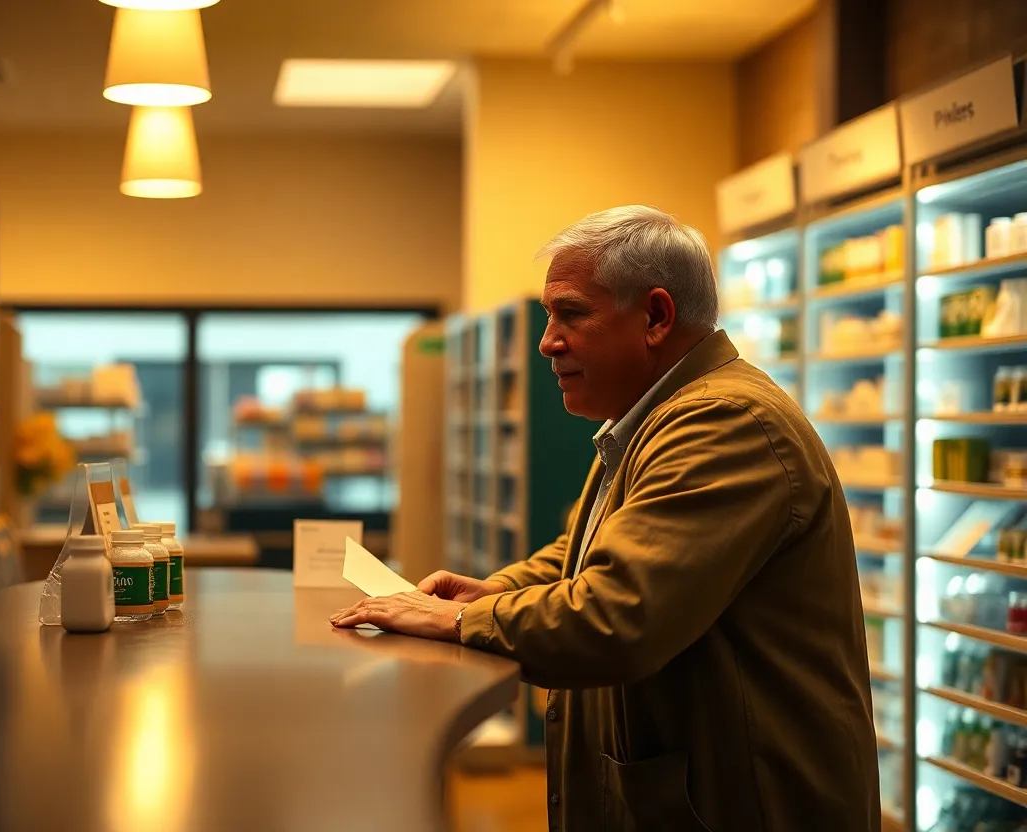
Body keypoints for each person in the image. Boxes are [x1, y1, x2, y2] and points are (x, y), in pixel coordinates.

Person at [331, 205, 880, 831]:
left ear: (655, 317)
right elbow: (580, 553)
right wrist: (499, 591)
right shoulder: (644, 418)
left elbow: (618, 615)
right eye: (547, 316)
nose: (546, 342)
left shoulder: (723, 423)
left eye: (571, 313)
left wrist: (461, 619)